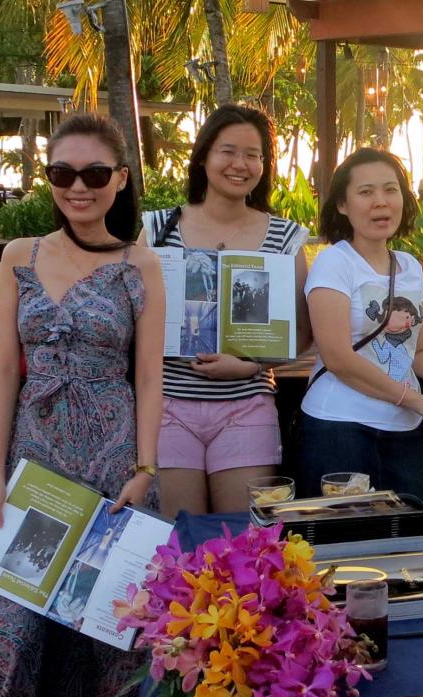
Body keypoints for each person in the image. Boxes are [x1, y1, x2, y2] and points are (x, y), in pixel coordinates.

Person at [0, 113, 165, 697]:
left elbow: (149, 376)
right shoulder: (20, 255)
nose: (78, 187)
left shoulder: (140, 264)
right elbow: (4, 375)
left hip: (112, 463)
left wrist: (144, 469)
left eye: (94, 174)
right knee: (4, 618)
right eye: (62, 174)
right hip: (36, 466)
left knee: (106, 623)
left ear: (120, 180)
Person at [139, 105, 309, 519]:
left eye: (253, 155)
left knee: (242, 540)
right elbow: (133, 315)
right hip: (168, 406)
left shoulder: (285, 237)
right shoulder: (158, 228)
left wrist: (252, 366)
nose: (240, 164)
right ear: (203, 157)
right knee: (180, 538)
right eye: (227, 151)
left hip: (246, 405)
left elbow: (302, 332)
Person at [299, 147, 423, 545]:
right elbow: (338, 358)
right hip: (339, 431)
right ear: (342, 204)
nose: (380, 201)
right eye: (366, 192)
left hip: (403, 432)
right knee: (343, 554)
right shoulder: (333, 263)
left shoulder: (408, 266)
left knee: (416, 546)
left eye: (390, 189)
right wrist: (416, 400)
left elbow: (420, 352)